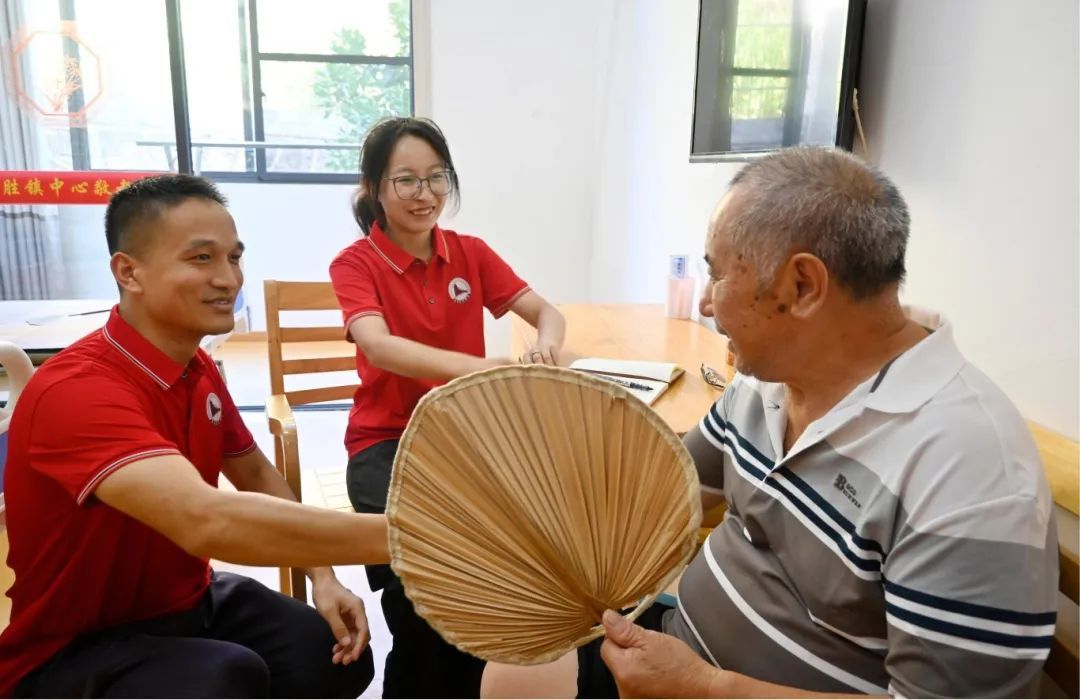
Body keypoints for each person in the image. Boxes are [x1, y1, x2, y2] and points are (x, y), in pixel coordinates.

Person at [482, 147, 1058, 698]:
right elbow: (663, 491)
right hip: (670, 651)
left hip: (691, 685)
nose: (705, 305)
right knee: (500, 656)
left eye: (717, 276)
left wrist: (704, 690)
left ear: (802, 287)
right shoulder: (767, 383)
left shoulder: (970, 472)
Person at [0, 175, 391, 698]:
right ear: (129, 272)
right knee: (225, 677)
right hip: (76, 644)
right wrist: (416, 537)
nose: (228, 278)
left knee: (330, 652)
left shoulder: (196, 367)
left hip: (189, 602)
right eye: (201, 258)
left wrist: (324, 576)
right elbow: (206, 520)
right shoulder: (76, 390)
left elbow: (254, 473)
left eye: (234, 257)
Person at [329, 116, 566, 698]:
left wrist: (545, 346)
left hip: (466, 439)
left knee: (510, 569)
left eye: (436, 177)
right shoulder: (355, 263)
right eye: (406, 180)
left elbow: (547, 313)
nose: (425, 193)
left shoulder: (469, 253)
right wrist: (480, 369)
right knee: (426, 596)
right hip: (387, 444)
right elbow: (379, 346)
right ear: (375, 188)